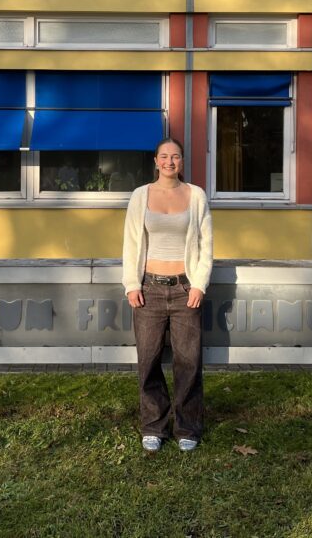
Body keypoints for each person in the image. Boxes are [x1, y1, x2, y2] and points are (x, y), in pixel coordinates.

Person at [122, 138, 213, 452]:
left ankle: (187, 427)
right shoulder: (141, 195)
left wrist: (199, 284)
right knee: (148, 360)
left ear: (182, 161)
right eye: (164, 156)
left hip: (186, 290)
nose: (170, 161)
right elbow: (131, 243)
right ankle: (154, 426)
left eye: (175, 156)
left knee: (189, 361)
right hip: (148, 290)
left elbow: (205, 245)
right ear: (156, 161)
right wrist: (132, 284)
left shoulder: (196, 196)